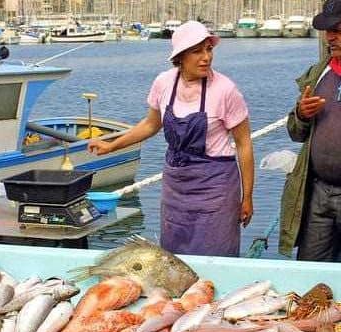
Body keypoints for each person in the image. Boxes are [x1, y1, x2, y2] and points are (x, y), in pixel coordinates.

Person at [88, 21, 254, 257]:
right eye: (197, 51)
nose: (206, 57)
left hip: (216, 186)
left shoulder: (226, 90)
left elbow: (244, 144)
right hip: (176, 184)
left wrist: (247, 197)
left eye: (209, 49)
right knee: (174, 257)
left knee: (216, 254)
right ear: (180, 57)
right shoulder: (164, 83)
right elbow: (151, 124)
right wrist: (112, 145)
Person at [280, 0, 341, 262]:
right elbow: (296, 132)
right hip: (318, 192)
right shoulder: (318, 74)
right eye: (328, 30)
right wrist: (302, 114)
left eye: (338, 29)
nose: (330, 37)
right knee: (311, 274)